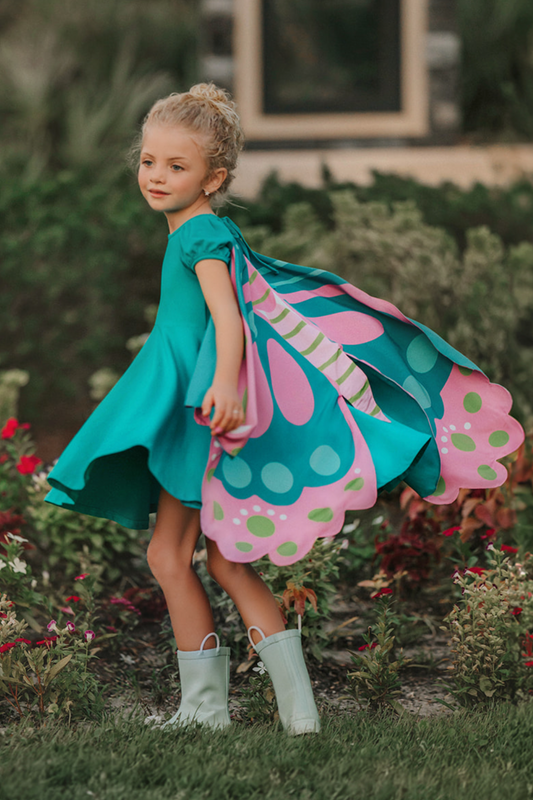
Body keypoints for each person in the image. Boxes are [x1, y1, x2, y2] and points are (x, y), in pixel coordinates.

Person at [45, 83, 524, 735]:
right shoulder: (202, 229)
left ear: (213, 177)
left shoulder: (200, 236)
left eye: (175, 166)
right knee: (219, 559)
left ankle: (211, 710)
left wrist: (223, 385)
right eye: (148, 161)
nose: (155, 176)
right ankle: (292, 714)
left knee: (171, 557)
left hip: (196, 407)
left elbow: (227, 319)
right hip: (192, 398)